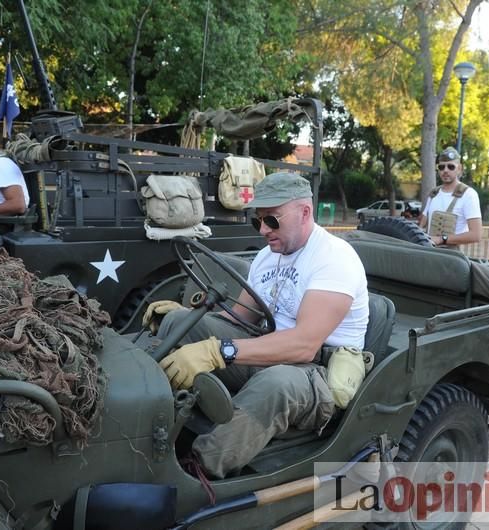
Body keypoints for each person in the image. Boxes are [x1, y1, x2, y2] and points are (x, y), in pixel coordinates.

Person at [145, 171, 370, 479]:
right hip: (272, 349)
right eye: (257, 221)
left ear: (305, 212)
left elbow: (304, 345)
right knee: (179, 323)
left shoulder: (335, 259)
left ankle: (197, 473)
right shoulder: (267, 257)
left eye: (272, 220)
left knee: (276, 385)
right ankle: (150, 425)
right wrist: (188, 317)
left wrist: (218, 351)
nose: (263, 230)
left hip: (318, 371)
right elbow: (238, 318)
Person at [418, 146, 482, 247]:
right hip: (429, 253)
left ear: (459, 168)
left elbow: (476, 235)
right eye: (441, 167)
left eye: (451, 167)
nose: (445, 170)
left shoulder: (469, 195)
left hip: (452, 257)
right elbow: (421, 226)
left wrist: (442, 239)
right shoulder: (434, 193)